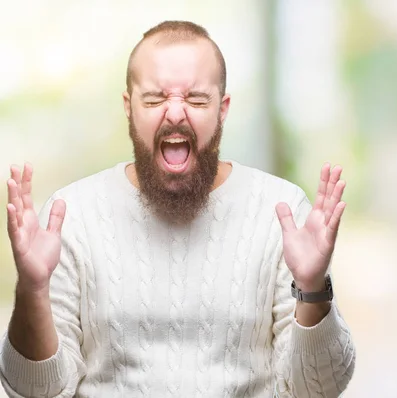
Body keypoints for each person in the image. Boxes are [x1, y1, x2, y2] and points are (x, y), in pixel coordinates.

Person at [0, 20, 356, 397]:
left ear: (223, 109)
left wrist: (313, 289)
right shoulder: (71, 214)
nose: (174, 114)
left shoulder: (279, 212)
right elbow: (34, 391)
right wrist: (33, 289)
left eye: (197, 99)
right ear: (129, 107)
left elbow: (317, 388)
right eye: (154, 99)